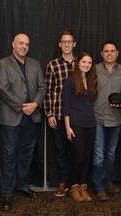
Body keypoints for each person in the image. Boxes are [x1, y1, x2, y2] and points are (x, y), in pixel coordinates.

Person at [0, 33, 46, 211]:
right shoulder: (3, 64)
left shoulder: (35, 64)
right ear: (13, 45)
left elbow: (42, 86)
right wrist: (23, 106)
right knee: (9, 156)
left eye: (27, 44)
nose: (24, 46)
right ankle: (7, 193)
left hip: (32, 117)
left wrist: (35, 104)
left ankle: (22, 185)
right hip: (11, 118)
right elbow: (3, 89)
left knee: (27, 154)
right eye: (21, 43)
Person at [92, 41, 121, 201]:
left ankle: (109, 182)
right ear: (101, 53)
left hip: (116, 118)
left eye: (112, 51)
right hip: (98, 117)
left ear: (117, 53)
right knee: (99, 155)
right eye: (106, 51)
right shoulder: (94, 69)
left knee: (111, 154)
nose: (109, 53)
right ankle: (99, 187)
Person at [44, 31, 76, 197]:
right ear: (59, 44)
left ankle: (77, 183)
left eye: (69, 42)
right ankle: (63, 181)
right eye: (64, 42)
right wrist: (49, 114)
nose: (66, 45)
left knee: (78, 152)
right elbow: (47, 91)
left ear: (74, 44)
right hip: (57, 115)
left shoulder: (82, 64)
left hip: (77, 117)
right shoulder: (52, 65)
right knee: (61, 151)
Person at [63, 52, 97, 202]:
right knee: (79, 157)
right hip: (76, 124)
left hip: (91, 123)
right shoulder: (70, 81)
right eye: (84, 62)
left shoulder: (91, 80)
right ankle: (74, 186)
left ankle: (83, 186)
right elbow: (66, 106)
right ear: (78, 63)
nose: (86, 65)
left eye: (89, 63)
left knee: (87, 157)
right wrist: (67, 127)